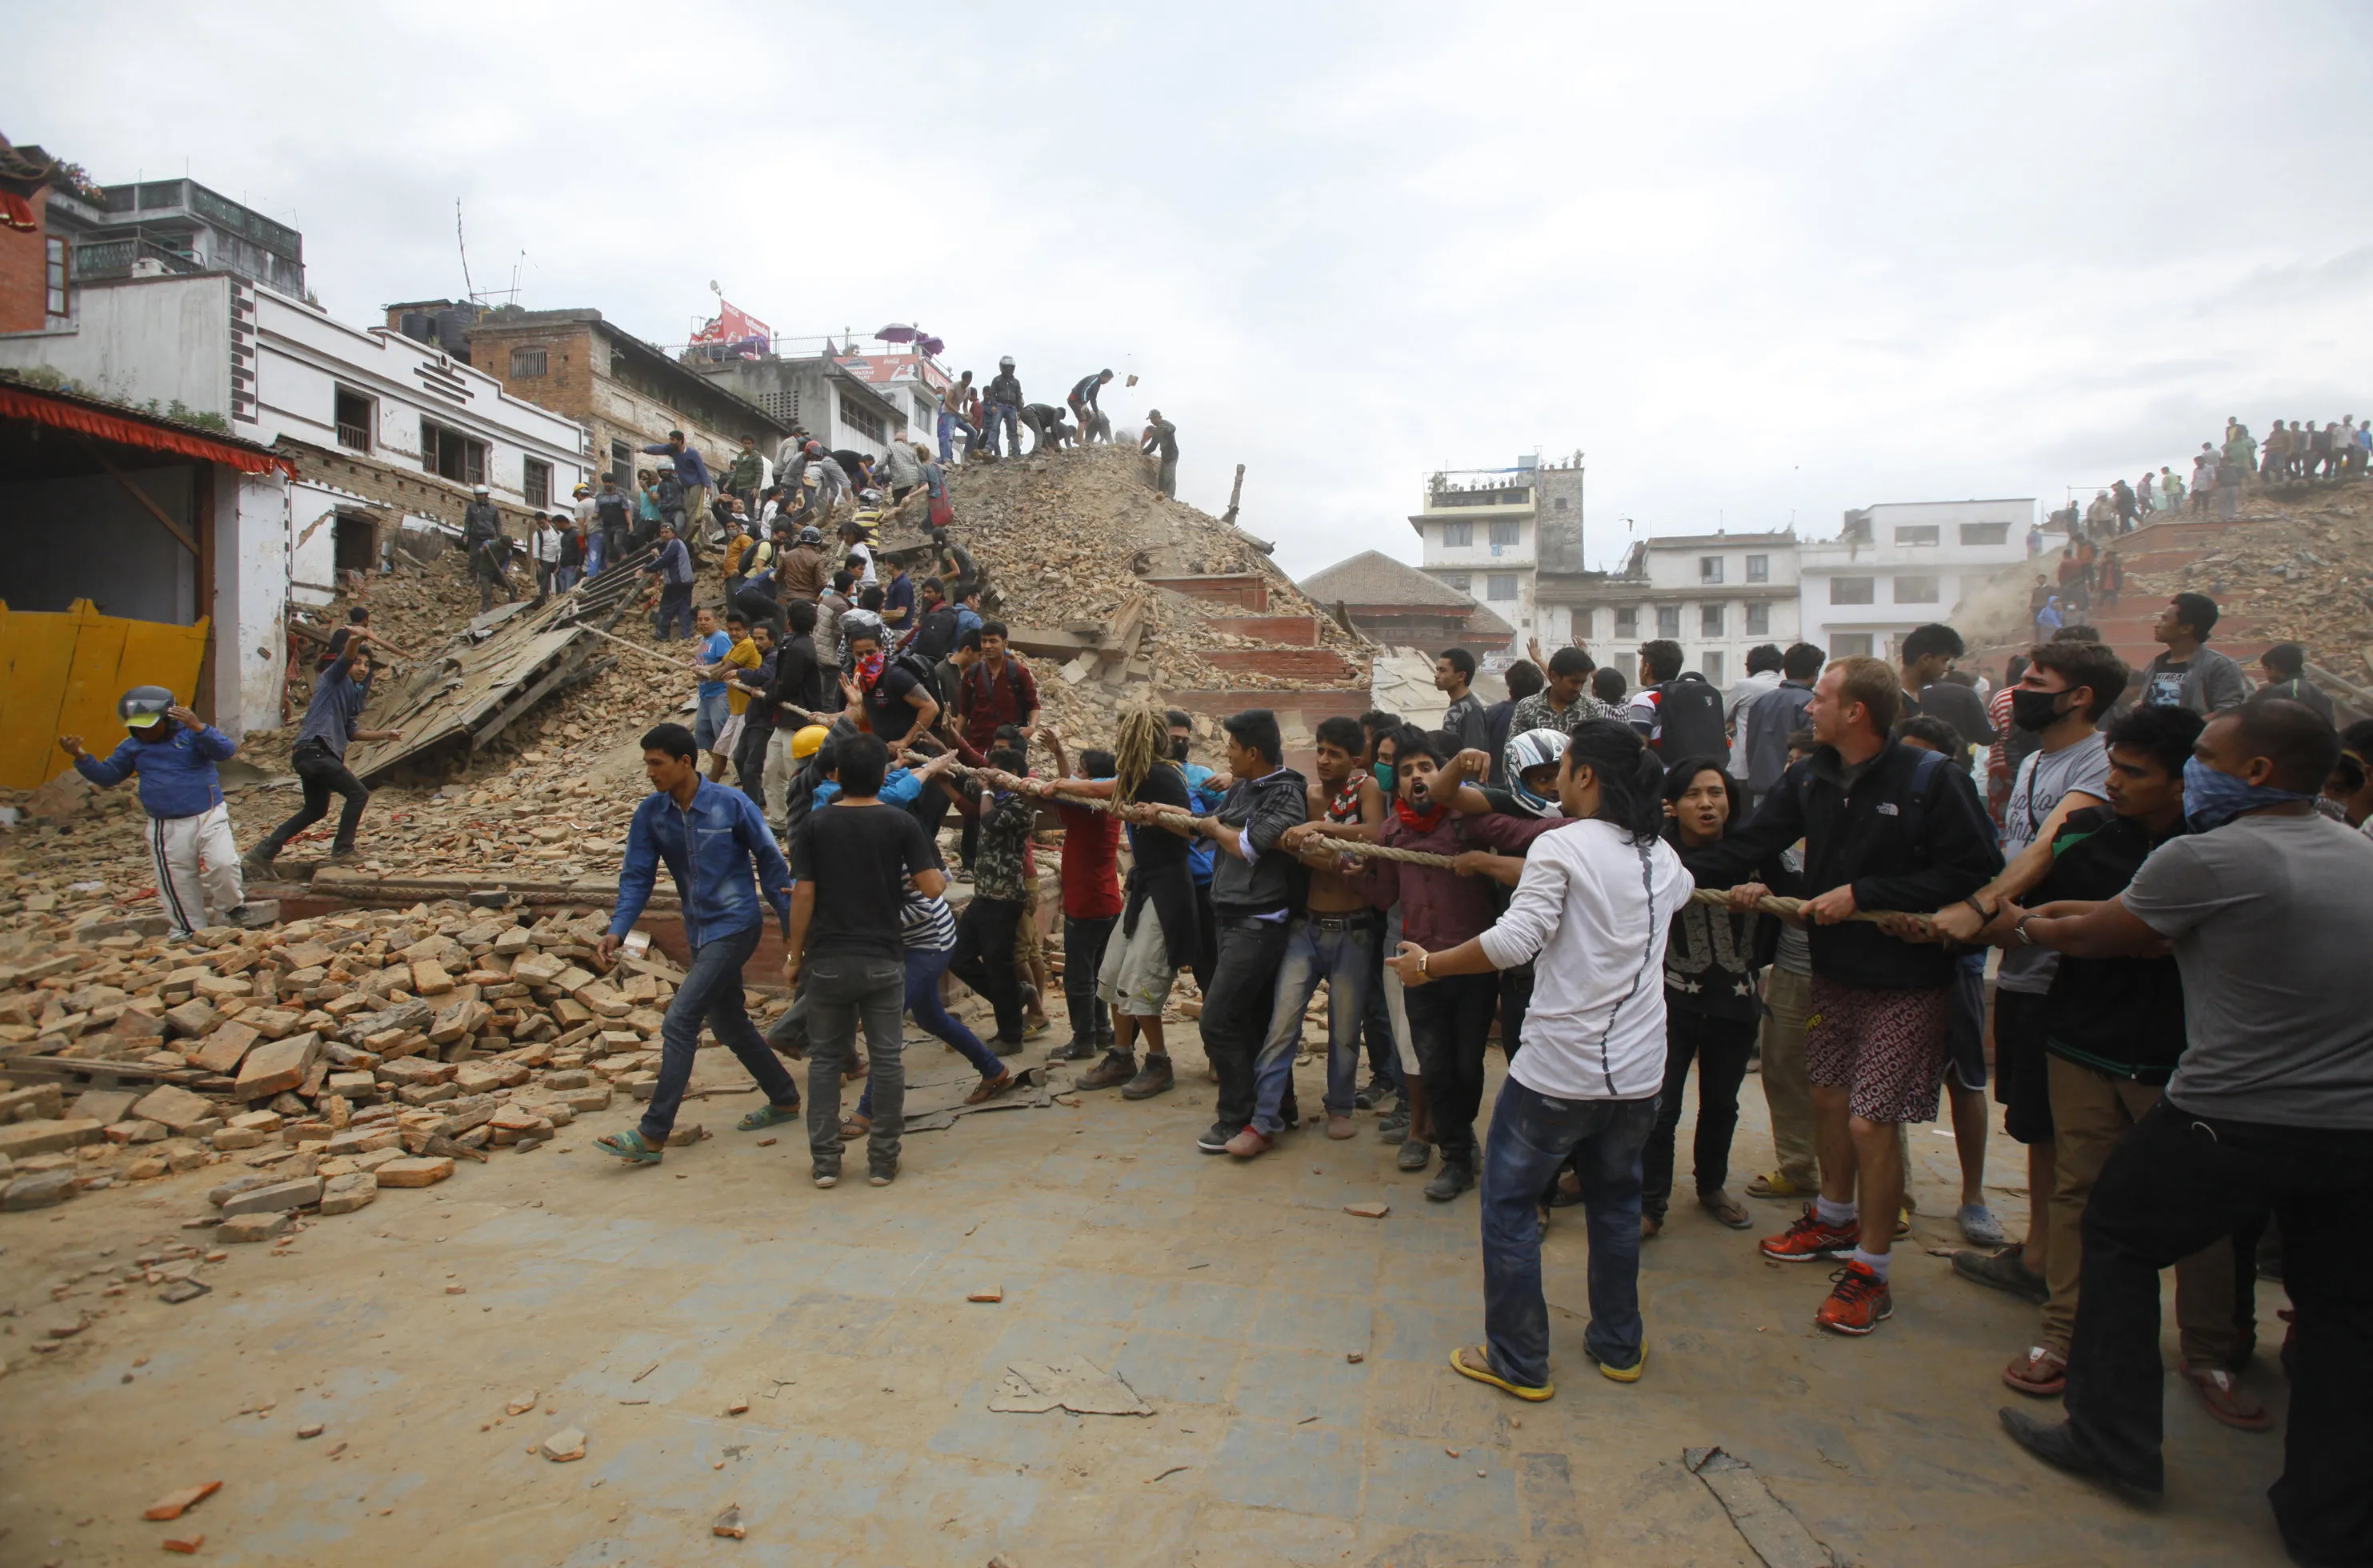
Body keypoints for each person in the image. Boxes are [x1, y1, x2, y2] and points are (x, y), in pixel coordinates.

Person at [1995, 703, 2373, 1565]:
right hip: (2354, 1129)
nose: (2190, 764)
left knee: (2117, 1233)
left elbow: (2098, 933)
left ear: (2255, 773)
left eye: (2204, 754)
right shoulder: (2356, 850)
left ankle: (2109, 1437)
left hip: (2231, 1112)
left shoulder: (2212, 854)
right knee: (2342, 1313)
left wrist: (2010, 921)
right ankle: (2329, 1520)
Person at [1691, 656, 2003, 1335]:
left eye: (1822, 699)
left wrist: (1868, 894)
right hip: (1835, 972)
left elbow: (1979, 871)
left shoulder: (1931, 781)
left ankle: (1873, 1270)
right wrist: (1650, 871)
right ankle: (1833, 1219)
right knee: (1828, 1100)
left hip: (1908, 982)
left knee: (1869, 1120)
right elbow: (1750, 844)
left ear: (1856, 712)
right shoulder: (1811, 777)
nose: (1808, 708)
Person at [1386, 719, 1691, 1398]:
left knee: (1510, 1203)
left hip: (1559, 1070)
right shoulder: (1662, 857)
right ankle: (1619, 1345)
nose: (1557, 782)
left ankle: (1519, 1361)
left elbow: (1515, 940)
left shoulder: (1564, 847)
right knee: (1616, 1203)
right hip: (1639, 1074)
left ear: (1587, 777)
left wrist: (1429, 966)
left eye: (1567, 768)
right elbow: (1680, 894)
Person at [1928, 640, 2128, 1301]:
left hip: (2061, 971)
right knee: (2037, 1125)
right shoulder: (2039, 759)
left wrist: (1979, 910)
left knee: (2068, 1133)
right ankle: (2039, 1253)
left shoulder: (2099, 765)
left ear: (2079, 697)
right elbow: (2010, 848)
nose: (2019, 695)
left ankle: (2059, 1267)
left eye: (2036, 682)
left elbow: (2045, 851)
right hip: (2021, 966)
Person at [1338, 727, 1551, 1196]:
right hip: (1418, 968)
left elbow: (1529, 834)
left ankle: (1462, 1139)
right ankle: (1456, 1156)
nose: (1417, 775)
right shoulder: (1392, 831)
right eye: (1407, 769)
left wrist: (1596, 825)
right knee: (1434, 1065)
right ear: (1397, 783)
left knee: (1467, 1064)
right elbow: (1386, 896)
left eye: (1426, 768)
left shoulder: (1465, 821)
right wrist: (1358, 876)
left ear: (1442, 775)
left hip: (1471, 965)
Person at [581, 722, 799, 1166]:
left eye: (656, 763)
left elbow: (774, 867)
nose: (649, 773)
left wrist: (795, 937)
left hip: (737, 926)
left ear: (685, 762)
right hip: (699, 930)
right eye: (646, 763)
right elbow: (637, 876)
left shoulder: (732, 804)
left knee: (680, 1020)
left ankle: (653, 1133)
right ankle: (784, 1097)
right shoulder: (652, 814)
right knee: (730, 1023)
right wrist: (618, 928)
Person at [777, 730, 955, 1189]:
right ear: (882, 776)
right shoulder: (899, 823)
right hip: (883, 958)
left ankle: (825, 1163)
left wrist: (794, 956)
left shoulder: (815, 824)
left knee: (823, 1063)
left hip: (827, 960)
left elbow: (803, 897)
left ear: (834, 773)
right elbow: (934, 887)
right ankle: (881, 1161)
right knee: (887, 1059)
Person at [1217, 715, 1387, 1152]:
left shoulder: (1364, 790)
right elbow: (1293, 848)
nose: (1324, 760)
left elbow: (1375, 834)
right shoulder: (1305, 795)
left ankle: (1340, 1108)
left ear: (1356, 761)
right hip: (1306, 928)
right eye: (1320, 750)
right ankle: (1264, 1120)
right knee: (1282, 1025)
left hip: (1354, 931)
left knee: (1345, 1030)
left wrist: (1321, 828)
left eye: (1335, 754)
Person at [1643, 759, 1770, 1237]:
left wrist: (1767, 890)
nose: (1707, 803)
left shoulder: (1756, 854)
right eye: (1694, 794)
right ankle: (1650, 1204)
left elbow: (1798, 910)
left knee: (1721, 1103)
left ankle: (1711, 1185)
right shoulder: (1656, 856)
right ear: (1672, 806)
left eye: (1716, 793)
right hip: (1670, 1003)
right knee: (1661, 1105)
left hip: (1736, 1002)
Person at [1179, 710, 1308, 1157]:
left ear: (1253, 753)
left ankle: (1235, 1115)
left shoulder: (1287, 795)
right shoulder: (1242, 786)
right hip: (1232, 916)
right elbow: (1212, 822)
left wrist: (1216, 828)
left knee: (1217, 1019)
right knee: (1252, 1017)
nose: (1227, 755)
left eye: (1232, 748)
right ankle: (1280, 1107)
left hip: (1258, 924)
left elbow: (1248, 845)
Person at [1070, 707, 1203, 1098]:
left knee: (1140, 980)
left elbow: (1187, 829)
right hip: (1144, 887)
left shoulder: (1158, 775)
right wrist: (1057, 784)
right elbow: (1103, 788)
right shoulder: (1142, 776)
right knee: (1112, 974)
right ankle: (1122, 1054)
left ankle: (1159, 1062)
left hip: (1166, 891)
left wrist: (1057, 784)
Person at [61, 688, 249, 938]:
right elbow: (108, 776)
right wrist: (80, 756)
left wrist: (198, 727)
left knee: (224, 863)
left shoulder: (192, 736)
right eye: (139, 728)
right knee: (177, 879)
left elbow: (225, 751)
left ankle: (231, 908)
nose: (144, 732)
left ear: (168, 720)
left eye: (150, 726)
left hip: (208, 814)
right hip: (166, 826)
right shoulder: (132, 747)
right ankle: (189, 929)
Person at [1743, 725, 1822, 1202]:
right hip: (1793, 968)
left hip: (1852, 973)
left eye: (1803, 763)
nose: (1793, 770)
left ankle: (1889, 1196)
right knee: (1782, 1067)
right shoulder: (1775, 828)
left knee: (1860, 1086)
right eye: (1792, 760)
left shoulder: (1864, 826)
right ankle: (1798, 1168)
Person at [244, 644, 403, 874]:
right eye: (357, 662)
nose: (363, 668)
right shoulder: (332, 679)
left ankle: (264, 852)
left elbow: (352, 732)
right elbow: (345, 657)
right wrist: (356, 637)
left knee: (316, 809)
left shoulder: (352, 695)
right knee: (358, 794)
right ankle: (343, 851)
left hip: (310, 756)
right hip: (315, 751)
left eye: (367, 665)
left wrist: (385, 735)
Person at [1026, 736, 1125, 1063]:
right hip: (1107, 901)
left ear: (1093, 779)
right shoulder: (1104, 804)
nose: (1077, 777)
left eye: (1082, 772)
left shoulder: (1087, 807)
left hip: (1087, 904)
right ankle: (1102, 1032)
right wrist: (1059, 755)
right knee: (1096, 973)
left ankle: (1083, 1040)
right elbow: (1072, 785)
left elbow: (1057, 790)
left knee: (1078, 977)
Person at [947, 746, 1038, 1051]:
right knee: (959, 957)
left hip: (1004, 897)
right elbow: (965, 779)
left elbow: (987, 820)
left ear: (1011, 775)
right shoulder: (994, 794)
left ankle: (1010, 1036)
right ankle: (1015, 994)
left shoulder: (1021, 805)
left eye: (995, 772)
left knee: (999, 965)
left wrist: (986, 788)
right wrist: (940, 759)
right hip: (983, 895)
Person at [2136, 592, 2248, 714]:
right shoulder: (2154, 665)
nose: (2156, 625)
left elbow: (2227, 714)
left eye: (2165, 619)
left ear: (2186, 629)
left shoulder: (2219, 666)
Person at [1742, 642, 1823, 803]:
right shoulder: (1810, 704)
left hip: (1760, 789)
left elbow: (1750, 745)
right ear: (1816, 671)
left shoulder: (1761, 701)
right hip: (1794, 791)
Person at [840, 624, 939, 749]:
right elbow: (867, 711)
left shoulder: (896, 675)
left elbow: (931, 707)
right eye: (860, 654)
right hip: (884, 749)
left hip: (911, 753)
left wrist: (905, 741)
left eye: (870, 652)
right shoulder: (863, 677)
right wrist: (832, 719)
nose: (865, 658)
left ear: (881, 649)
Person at [958, 621, 1040, 756]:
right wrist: (957, 741)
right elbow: (963, 711)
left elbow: (1033, 704)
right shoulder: (972, 673)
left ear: (1005, 643)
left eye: (993, 641)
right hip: (977, 746)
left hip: (1009, 749)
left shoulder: (1018, 673)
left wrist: (1031, 728)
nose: (987, 646)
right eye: (984, 641)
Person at [1512, 645, 1615, 743]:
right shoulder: (1527, 707)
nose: (1578, 688)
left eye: (1582, 683)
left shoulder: (1591, 709)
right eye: (1574, 682)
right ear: (1554, 676)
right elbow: (1513, 751)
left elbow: (1600, 751)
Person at [1725, 643, 1787, 785]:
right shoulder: (1786, 687)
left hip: (1743, 767)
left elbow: (1722, 716)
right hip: (1778, 767)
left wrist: (1733, 721)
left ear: (1749, 667)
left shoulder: (1744, 685)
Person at [641, 431, 713, 543]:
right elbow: (658, 449)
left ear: (681, 441)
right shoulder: (671, 450)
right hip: (684, 484)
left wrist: (708, 486)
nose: (670, 442)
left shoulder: (692, 453)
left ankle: (691, 537)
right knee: (686, 510)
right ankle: (686, 535)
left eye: (673, 440)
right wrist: (645, 449)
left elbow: (702, 469)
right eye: (670, 439)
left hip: (696, 484)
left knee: (692, 510)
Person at [1483, 661, 1539, 785]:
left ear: (1510, 685)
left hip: (1494, 784)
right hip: (1526, 786)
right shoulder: (1539, 715)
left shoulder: (1493, 711)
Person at [2251, 642, 2335, 726]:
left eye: (2265, 670)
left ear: (2273, 668)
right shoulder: (2319, 692)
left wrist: (2260, 695)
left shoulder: (2281, 692)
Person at [644, 523, 695, 640]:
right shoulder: (677, 544)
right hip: (686, 582)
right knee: (684, 609)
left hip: (676, 582)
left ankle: (662, 636)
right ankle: (686, 636)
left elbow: (665, 560)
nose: (664, 534)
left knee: (666, 608)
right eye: (662, 533)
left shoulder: (674, 543)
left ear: (673, 533)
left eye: (667, 532)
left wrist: (645, 569)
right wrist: (660, 556)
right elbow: (670, 560)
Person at [1435, 647, 1487, 753]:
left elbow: (1472, 756)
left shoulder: (1471, 710)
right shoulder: (1458, 705)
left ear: (1461, 676)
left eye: (1442, 670)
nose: (1436, 675)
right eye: (1437, 670)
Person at [985, 356, 1023, 458]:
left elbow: (1019, 396)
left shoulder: (1016, 382)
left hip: (1012, 407)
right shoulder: (997, 380)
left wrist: (1019, 409)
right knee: (995, 426)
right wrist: (993, 405)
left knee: (1013, 429)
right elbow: (992, 393)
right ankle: (989, 447)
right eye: (1007, 367)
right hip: (1000, 405)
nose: (1009, 370)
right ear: (1002, 367)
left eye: (1011, 367)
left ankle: (1016, 451)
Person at [1068, 369, 1114, 444]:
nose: (1107, 382)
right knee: (1082, 419)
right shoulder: (1094, 380)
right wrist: (1084, 404)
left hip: (1081, 402)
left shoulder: (1098, 385)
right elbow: (1085, 390)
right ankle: (1079, 440)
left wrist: (1097, 412)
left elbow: (1093, 400)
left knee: (1088, 418)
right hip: (1074, 400)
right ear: (1104, 376)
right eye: (1108, 380)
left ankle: (1079, 437)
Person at [1142, 409, 1178, 498]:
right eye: (1150, 419)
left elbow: (1173, 428)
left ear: (1158, 417)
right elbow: (1152, 447)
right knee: (1161, 477)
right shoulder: (1156, 431)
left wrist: (1166, 430)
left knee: (1170, 477)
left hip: (1172, 455)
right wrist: (1142, 452)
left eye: (1152, 419)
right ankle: (1161, 494)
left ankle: (1169, 497)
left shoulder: (1165, 424)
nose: (1151, 421)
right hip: (1165, 455)